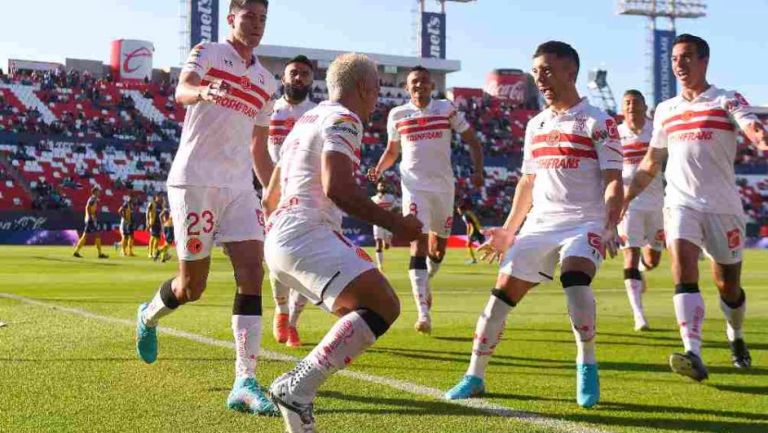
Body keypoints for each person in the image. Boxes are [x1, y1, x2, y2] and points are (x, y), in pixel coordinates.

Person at [444, 41, 623, 408]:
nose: (539, 78)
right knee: (499, 299)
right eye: (536, 71)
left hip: (584, 221)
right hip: (540, 223)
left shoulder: (598, 120)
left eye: (547, 69)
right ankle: (474, 375)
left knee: (575, 279)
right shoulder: (536, 124)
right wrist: (509, 231)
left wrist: (609, 225)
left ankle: (586, 365)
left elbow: (613, 180)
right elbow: (527, 182)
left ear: (570, 72)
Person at [262, 53, 422, 433]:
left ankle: (298, 409)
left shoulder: (305, 120)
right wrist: (395, 222)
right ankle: (296, 388)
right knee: (384, 304)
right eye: (377, 89)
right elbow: (337, 187)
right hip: (305, 232)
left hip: (283, 234)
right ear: (365, 87)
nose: (376, 99)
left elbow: (270, 195)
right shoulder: (345, 119)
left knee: (360, 313)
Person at [134, 0, 280, 415]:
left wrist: (272, 190)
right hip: (195, 179)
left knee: (253, 271)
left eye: (262, 19)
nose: (256, 25)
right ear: (231, 18)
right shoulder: (208, 52)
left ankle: (245, 381)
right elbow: (182, 90)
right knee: (191, 288)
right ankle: (148, 315)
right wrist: (203, 90)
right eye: (249, 16)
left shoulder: (267, 82)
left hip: (238, 187)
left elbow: (259, 145)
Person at [623, 34, 768, 381]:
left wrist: (761, 139)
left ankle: (736, 335)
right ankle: (693, 351)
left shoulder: (725, 99)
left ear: (704, 61)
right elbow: (652, 161)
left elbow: (752, 127)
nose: (679, 64)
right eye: (674, 59)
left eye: (686, 57)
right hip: (680, 203)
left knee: (727, 286)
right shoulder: (665, 110)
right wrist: (623, 199)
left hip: (723, 207)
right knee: (683, 267)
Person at [369, 66, 484, 334]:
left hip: (443, 188)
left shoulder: (446, 109)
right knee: (417, 242)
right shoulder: (397, 114)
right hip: (414, 187)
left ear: (431, 86)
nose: (419, 85)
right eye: (413, 82)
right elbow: (392, 150)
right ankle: (423, 314)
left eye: (423, 81)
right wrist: (379, 168)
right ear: (407, 88)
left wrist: (478, 171)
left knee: (437, 251)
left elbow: (473, 140)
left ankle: (426, 282)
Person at [268, 54, 317, 348]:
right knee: (277, 258)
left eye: (304, 74)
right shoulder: (268, 110)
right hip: (274, 195)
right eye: (293, 73)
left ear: (312, 80)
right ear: (284, 78)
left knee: (307, 262)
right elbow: (255, 148)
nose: (298, 78)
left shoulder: (318, 113)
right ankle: (281, 310)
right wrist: (266, 188)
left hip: (307, 195)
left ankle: (294, 322)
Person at [617, 90, 664, 331]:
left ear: (645, 106)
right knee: (630, 255)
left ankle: (643, 271)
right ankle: (639, 315)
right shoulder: (616, 135)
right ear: (622, 108)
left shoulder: (656, 132)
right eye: (627, 103)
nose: (631, 107)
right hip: (629, 204)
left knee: (652, 260)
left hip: (656, 203)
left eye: (636, 102)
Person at [73, 186, 108, 259]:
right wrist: (90, 216)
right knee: (96, 235)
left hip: (90, 219)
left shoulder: (93, 199)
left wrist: (92, 216)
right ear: (95, 192)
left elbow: (90, 208)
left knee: (86, 236)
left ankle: (76, 252)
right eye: (98, 191)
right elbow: (88, 207)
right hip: (90, 220)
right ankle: (100, 253)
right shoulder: (93, 199)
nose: (99, 192)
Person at [371, 180, 397, 271]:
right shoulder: (373, 199)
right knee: (378, 243)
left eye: (383, 186)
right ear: (377, 187)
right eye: (380, 186)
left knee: (386, 246)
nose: (382, 187)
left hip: (388, 224)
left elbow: (396, 209)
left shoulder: (391, 198)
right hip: (378, 223)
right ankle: (379, 265)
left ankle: (387, 241)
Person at [146, 193, 163, 259]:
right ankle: (150, 253)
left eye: (161, 197)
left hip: (158, 223)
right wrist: (147, 221)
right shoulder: (152, 203)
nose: (160, 198)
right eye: (159, 197)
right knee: (153, 237)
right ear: (156, 197)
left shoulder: (160, 205)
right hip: (152, 223)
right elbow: (147, 212)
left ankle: (154, 252)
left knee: (157, 238)